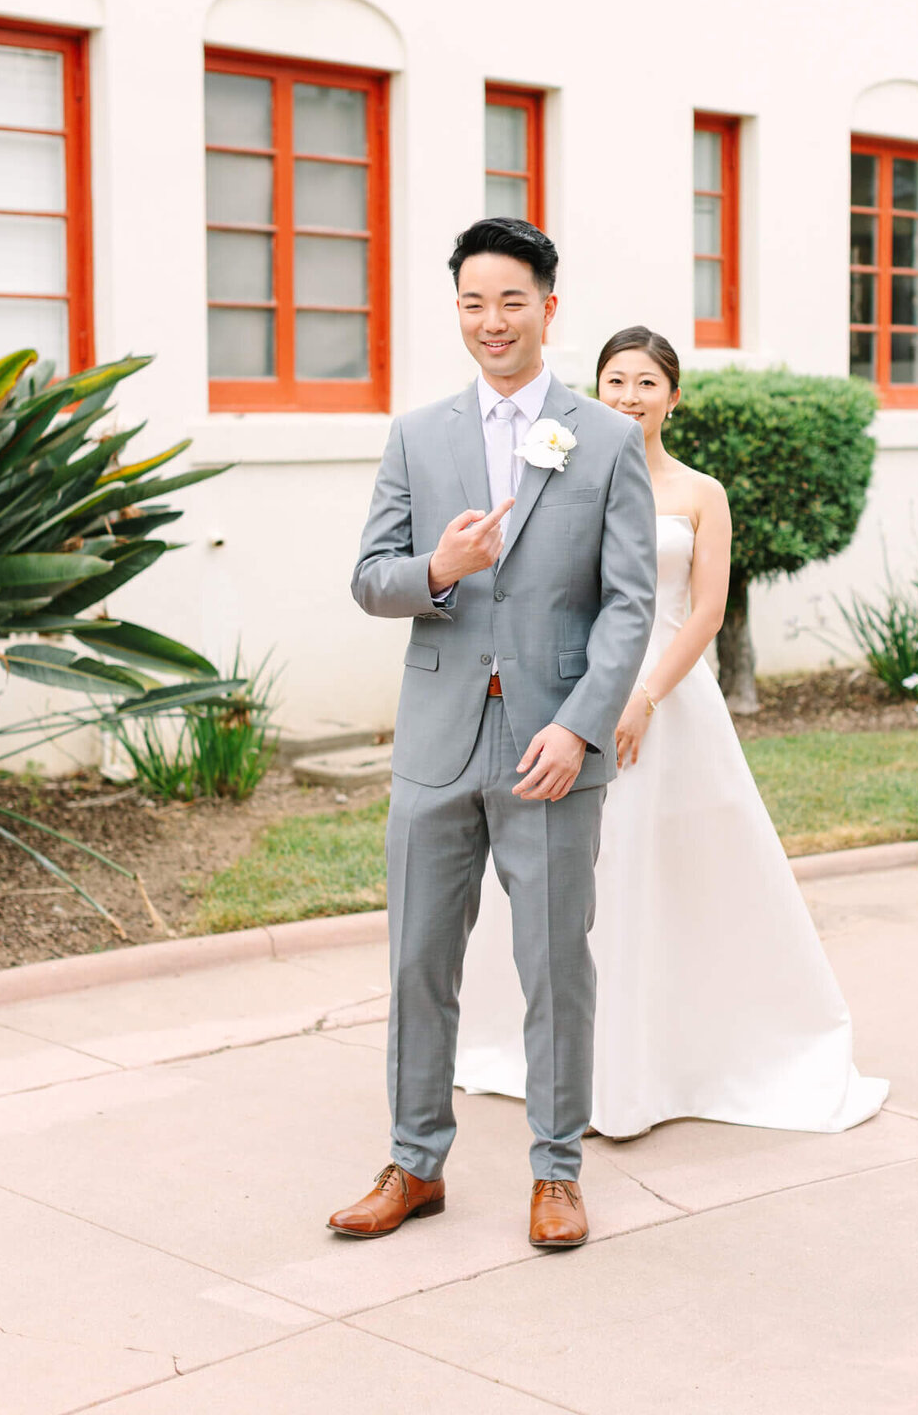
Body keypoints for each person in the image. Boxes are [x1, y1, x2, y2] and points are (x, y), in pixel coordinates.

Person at [455, 326, 888, 1139]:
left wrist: (645, 695)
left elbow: (707, 612)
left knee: (674, 871)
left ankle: (671, 1058)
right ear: (594, 391)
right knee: (578, 867)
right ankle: (566, 1060)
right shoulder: (562, 477)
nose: (629, 396)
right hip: (576, 695)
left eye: (646, 382)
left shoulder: (701, 493)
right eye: (615, 381)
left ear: (673, 397)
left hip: (670, 697)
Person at [329, 222, 657, 1249]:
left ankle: (556, 1170)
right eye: (473, 302)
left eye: (510, 301)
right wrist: (437, 566)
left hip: (550, 752)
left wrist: (579, 726)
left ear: (548, 308)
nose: (491, 322)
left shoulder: (603, 438)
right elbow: (371, 578)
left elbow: (629, 604)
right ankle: (414, 1161)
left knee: (557, 964)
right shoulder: (417, 435)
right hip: (436, 744)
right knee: (418, 960)